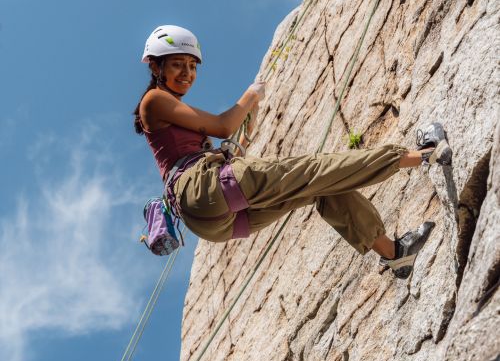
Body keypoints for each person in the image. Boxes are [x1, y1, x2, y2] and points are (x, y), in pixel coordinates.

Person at [133, 25, 452, 279]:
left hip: (215, 219)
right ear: (156, 66)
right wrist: (250, 96)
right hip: (204, 190)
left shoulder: (172, 112)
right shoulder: (154, 101)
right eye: (177, 64)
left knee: (320, 186)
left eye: (192, 66)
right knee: (318, 169)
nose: (187, 73)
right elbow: (222, 126)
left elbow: (222, 139)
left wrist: (244, 132)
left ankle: (395, 254)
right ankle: (424, 153)